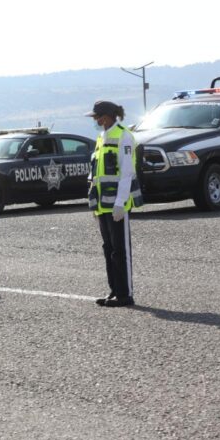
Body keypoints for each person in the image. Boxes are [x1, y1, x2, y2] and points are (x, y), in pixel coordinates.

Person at [86, 101, 143, 307]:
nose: (95, 120)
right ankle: (114, 291)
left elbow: (126, 173)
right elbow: (96, 174)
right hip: (103, 205)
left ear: (107, 116)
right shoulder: (101, 137)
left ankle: (125, 295)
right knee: (108, 248)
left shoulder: (123, 136)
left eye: (97, 117)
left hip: (117, 204)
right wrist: (94, 204)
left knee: (120, 250)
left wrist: (120, 202)